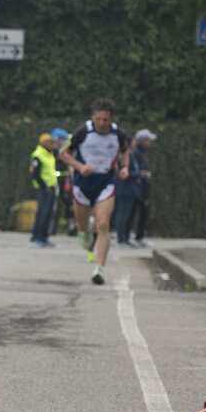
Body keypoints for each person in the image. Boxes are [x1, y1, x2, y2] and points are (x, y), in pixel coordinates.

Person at [59, 99, 131, 286]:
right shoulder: (82, 132)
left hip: (105, 182)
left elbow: (125, 151)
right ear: (93, 117)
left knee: (104, 223)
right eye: (98, 119)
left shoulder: (118, 134)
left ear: (111, 119)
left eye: (105, 120)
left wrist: (125, 167)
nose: (101, 123)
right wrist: (80, 167)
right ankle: (85, 233)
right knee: (82, 227)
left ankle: (99, 269)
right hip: (83, 183)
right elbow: (63, 153)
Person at [114, 128, 155, 247]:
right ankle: (122, 238)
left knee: (129, 215)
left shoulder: (132, 155)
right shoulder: (124, 156)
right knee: (123, 214)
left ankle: (126, 237)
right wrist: (139, 174)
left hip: (133, 189)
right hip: (125, 189)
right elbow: (122, 173)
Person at [28, 128, 65, 247]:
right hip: (44, 189)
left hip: (51, 187)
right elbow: (36, 174)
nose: (53, 144)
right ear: (44, 142)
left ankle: (44, 237)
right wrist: (44, 186)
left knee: (48, 214)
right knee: (42, 213)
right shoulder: (38, 155)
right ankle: (36, 237)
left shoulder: (49, 154)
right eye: (51, 142)